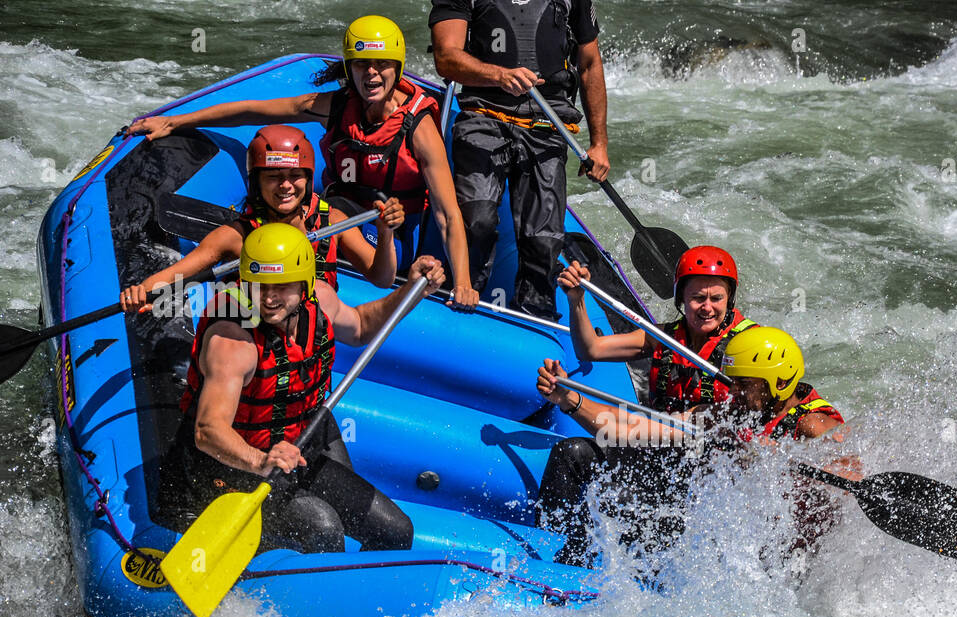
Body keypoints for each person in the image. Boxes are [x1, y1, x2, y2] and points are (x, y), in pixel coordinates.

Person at [128, 15, 477, 309]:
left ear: (397, 68)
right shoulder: (337, 105)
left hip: (389, 234)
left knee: (325, 210)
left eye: (382, 64)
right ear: (349, 69)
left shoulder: (419, 126)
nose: (372, 74)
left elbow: (447, 214)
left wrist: (463, 282)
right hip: (334, 215)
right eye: (361, 65)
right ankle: (230, 254)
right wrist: (175, 122)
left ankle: (253, 257)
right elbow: (252, 110)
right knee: (321, 208)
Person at [161, 222, 446, 554]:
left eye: (281, 286)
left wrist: (410, 291)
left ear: (306, 283)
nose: (269, 298)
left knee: (395, 531)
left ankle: (363, 599)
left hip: (298, 444)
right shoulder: (232, 342)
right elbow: (208, 431)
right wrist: (259, 460)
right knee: (323, 528)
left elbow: (362, 326)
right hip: (232, 466)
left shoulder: (320, 300)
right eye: (259, 285)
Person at [532, 326, 856, 567]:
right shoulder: (732, 412)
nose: (733, 394)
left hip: (780, 560)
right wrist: (569, 400)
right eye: (733, 383)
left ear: (780, 384)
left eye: (744, 385)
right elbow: (633, 429)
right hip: (719, 534)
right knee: (582, 465)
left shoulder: (814, 425)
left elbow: (849, 481)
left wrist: (775, 463)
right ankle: (553, 563)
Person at [429, 0, 609, 319]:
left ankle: (536, 316)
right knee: (478, 219)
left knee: (543, 237)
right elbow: (446, 57)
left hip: (548, 120)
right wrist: (498, 75)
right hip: (483, 113)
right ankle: (462, 302)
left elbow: (589, 63)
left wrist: (599, 143)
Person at [121, 125, 404, 314]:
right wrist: (141, 292)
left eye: (295, 176)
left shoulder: (332, 222)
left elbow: (381, 278)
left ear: (308, 178)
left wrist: (385, 234)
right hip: (254, 351)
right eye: (273, 177)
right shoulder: (235, 236)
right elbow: (174, 276)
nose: (285, 186)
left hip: (310, 349)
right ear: (256, 183)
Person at [559, 246, 758, 413]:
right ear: (681, 299)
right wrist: (577, 299)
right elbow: (591, 349)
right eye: (698, 298)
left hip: (717, 448)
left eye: (716, 299)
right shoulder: (662, 337)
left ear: (729, 299)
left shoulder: (750, 345)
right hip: (665, 441)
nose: (707, 307)